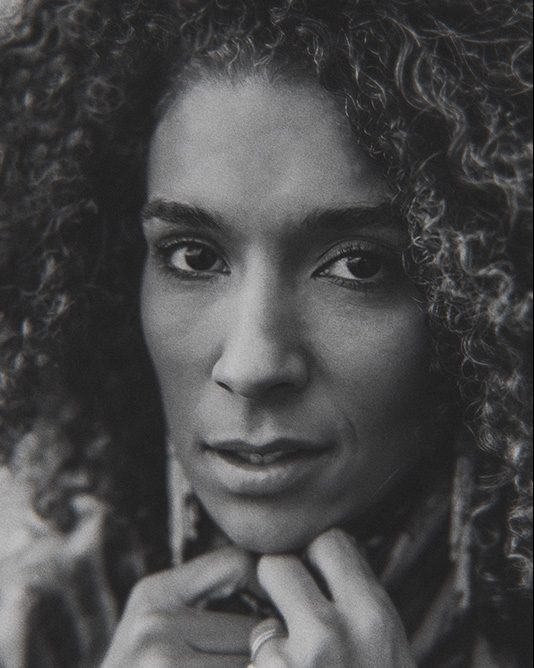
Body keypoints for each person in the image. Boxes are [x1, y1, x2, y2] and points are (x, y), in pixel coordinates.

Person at [0, 0, 531, 666]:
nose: (251, 365)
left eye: (358, 266)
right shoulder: (36, 630)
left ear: (478, 300)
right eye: (193, 255)